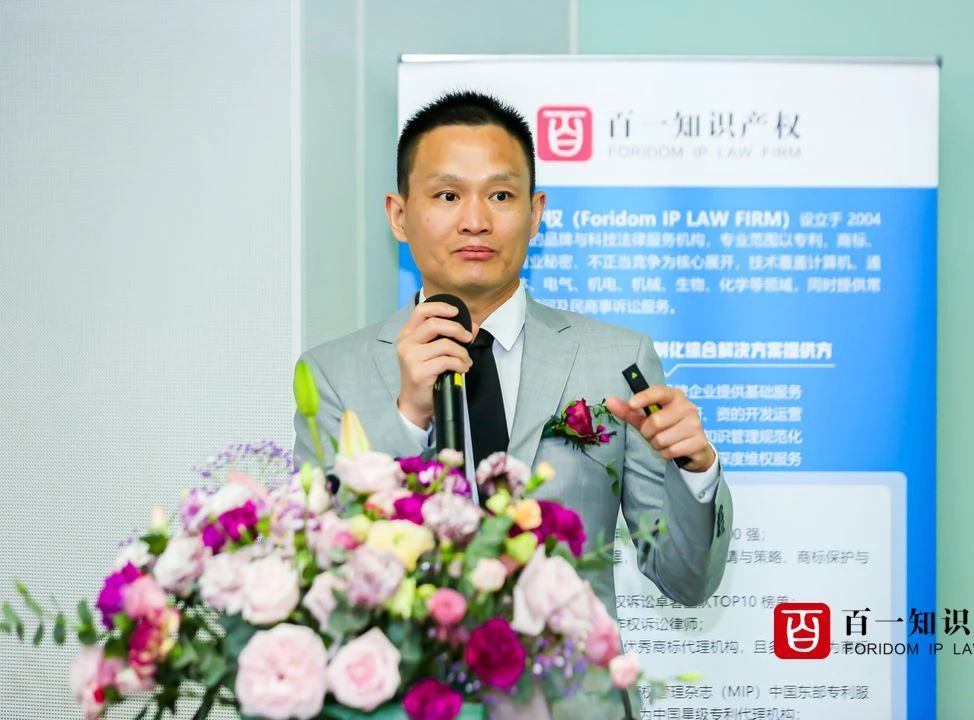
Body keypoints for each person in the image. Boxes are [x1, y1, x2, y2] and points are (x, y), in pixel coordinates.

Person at [293, 91, 733, 719]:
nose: (475, 220)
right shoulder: (335, 374)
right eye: (448, 195)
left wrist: (696, 471)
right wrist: (408, 416)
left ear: (535, 213)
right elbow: (329, 578)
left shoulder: (615, 358)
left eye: (500, 195)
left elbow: (686, 580)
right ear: (399, 214)